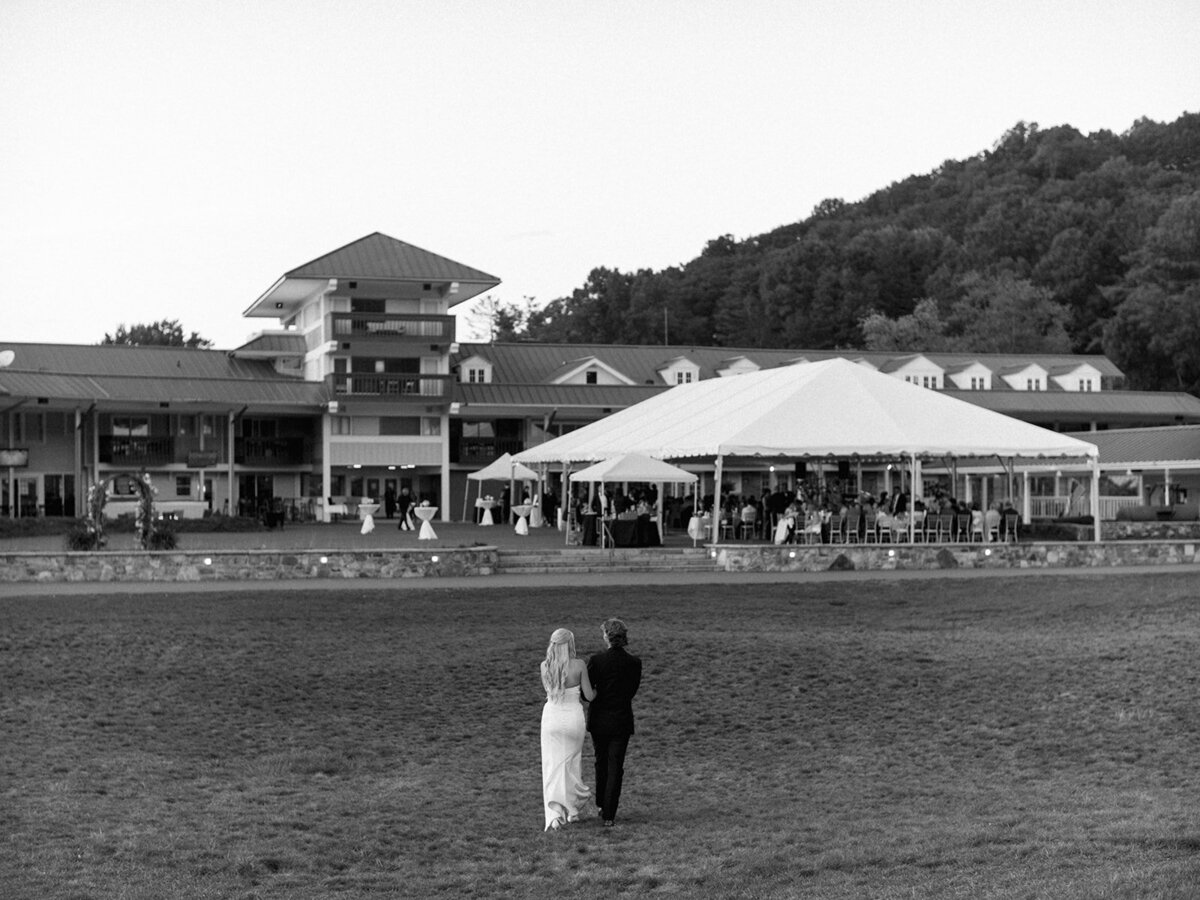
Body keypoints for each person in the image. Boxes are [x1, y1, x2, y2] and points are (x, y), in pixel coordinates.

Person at [587, 618, 642, 827]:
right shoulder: (634, 662)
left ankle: (601, 804)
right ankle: (610, 813)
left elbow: (587, 692)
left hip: (599, 720)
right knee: (615, 766)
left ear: (606, 636)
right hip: (621, 719)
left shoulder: (596, 660)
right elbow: (631, 691)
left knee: (600, 762)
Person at [540, 628, 594, 831]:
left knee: (552, 766)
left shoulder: (545, 666)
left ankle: (554, 814)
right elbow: (588, 696)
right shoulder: (579, 665)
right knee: (571, 763)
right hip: (573, 718)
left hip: (551, 719)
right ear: (570, 644)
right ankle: (572, 810)